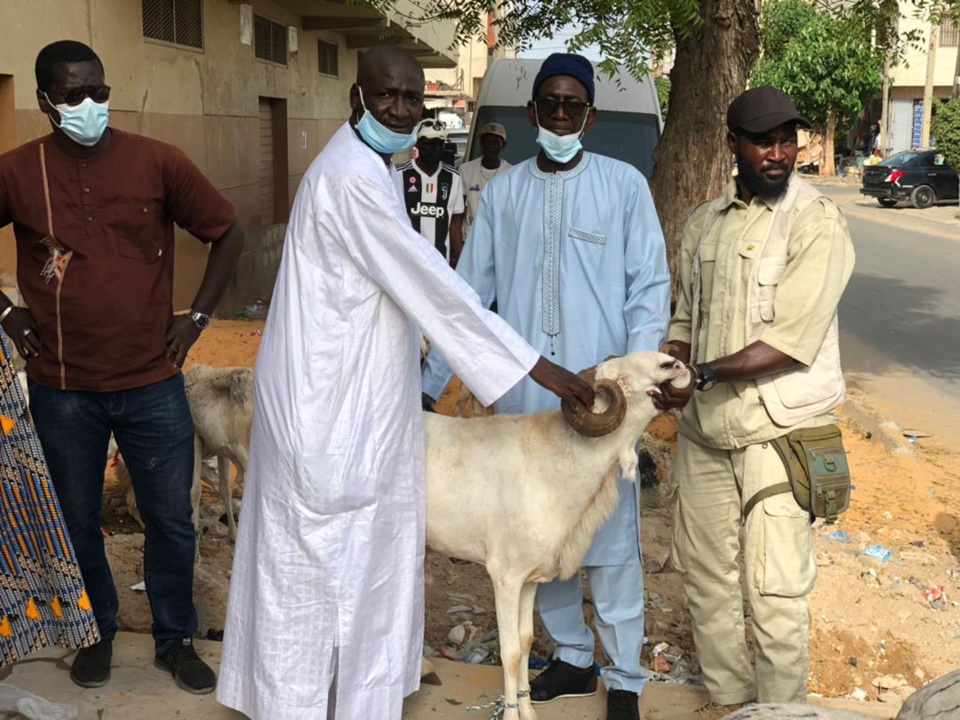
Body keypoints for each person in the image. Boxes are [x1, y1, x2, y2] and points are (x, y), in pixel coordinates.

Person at [216, 46, 593, 720]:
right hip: (324, 410)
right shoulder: (351, 177)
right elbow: (433, 286)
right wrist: (540, 369)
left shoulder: (376, 168)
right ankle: (294, 704)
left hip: (357, 404)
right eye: (387, 96)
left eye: (412, 98)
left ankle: (355, 698)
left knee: (365, 562)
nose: (401, 109)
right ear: (356, 99)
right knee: (312, 570)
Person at [422, 52, 670, 720]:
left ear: (589, 114)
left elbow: (649, 291)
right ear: (532, 113)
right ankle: (572, 658)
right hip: (528, 402)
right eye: (550, 104)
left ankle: (623, 679)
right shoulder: (503, 193)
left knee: (611, 544)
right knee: (539, 542)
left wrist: (635, 385)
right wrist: (428, 386)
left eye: (573, 105)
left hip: (604, 405)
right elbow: (470, 301)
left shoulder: (623, 188)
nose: (561, 115)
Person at [0, 40, 245, 694]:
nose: (89, 105)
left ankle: (174, 636)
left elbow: (227, 231)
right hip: (62, 387)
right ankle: (97, 631)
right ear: (47, 102)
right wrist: (5, 313)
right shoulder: (18, 172)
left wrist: (195, 319)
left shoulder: (157, 162)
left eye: (98, 91)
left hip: (150, 382)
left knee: (169, 518)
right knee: (79, 520)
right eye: (73, 96)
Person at [652, 86, 856, 718]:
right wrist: (673, 364)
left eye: (787, 140)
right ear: (732, 144)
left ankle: (782, 712)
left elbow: (792, 342)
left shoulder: (816, 220)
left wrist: (704, 371)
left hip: (780, 431)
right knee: (707, 580)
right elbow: (686, 319)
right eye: (763, 141)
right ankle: (734, 704)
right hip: (706, 435)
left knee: (776, 591)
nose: (779, 152)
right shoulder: (702, 223)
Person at [397, 120, 465, 266]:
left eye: (439, 144)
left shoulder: (453, 177)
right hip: (408, 263)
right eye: (429, 143)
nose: (434, 149)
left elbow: (455, 222)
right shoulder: (401, 175)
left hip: (440, 265)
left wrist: (461, 262)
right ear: (418, 144)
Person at [458, 122, 511, 239]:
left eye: (495, 143)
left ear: (503, 144)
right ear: (481, 144)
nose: (490, 146)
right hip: (470, 239)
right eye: (486, 142)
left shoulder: (511, 174)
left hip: (499, 241)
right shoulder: (466, 170)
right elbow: (459, 211)